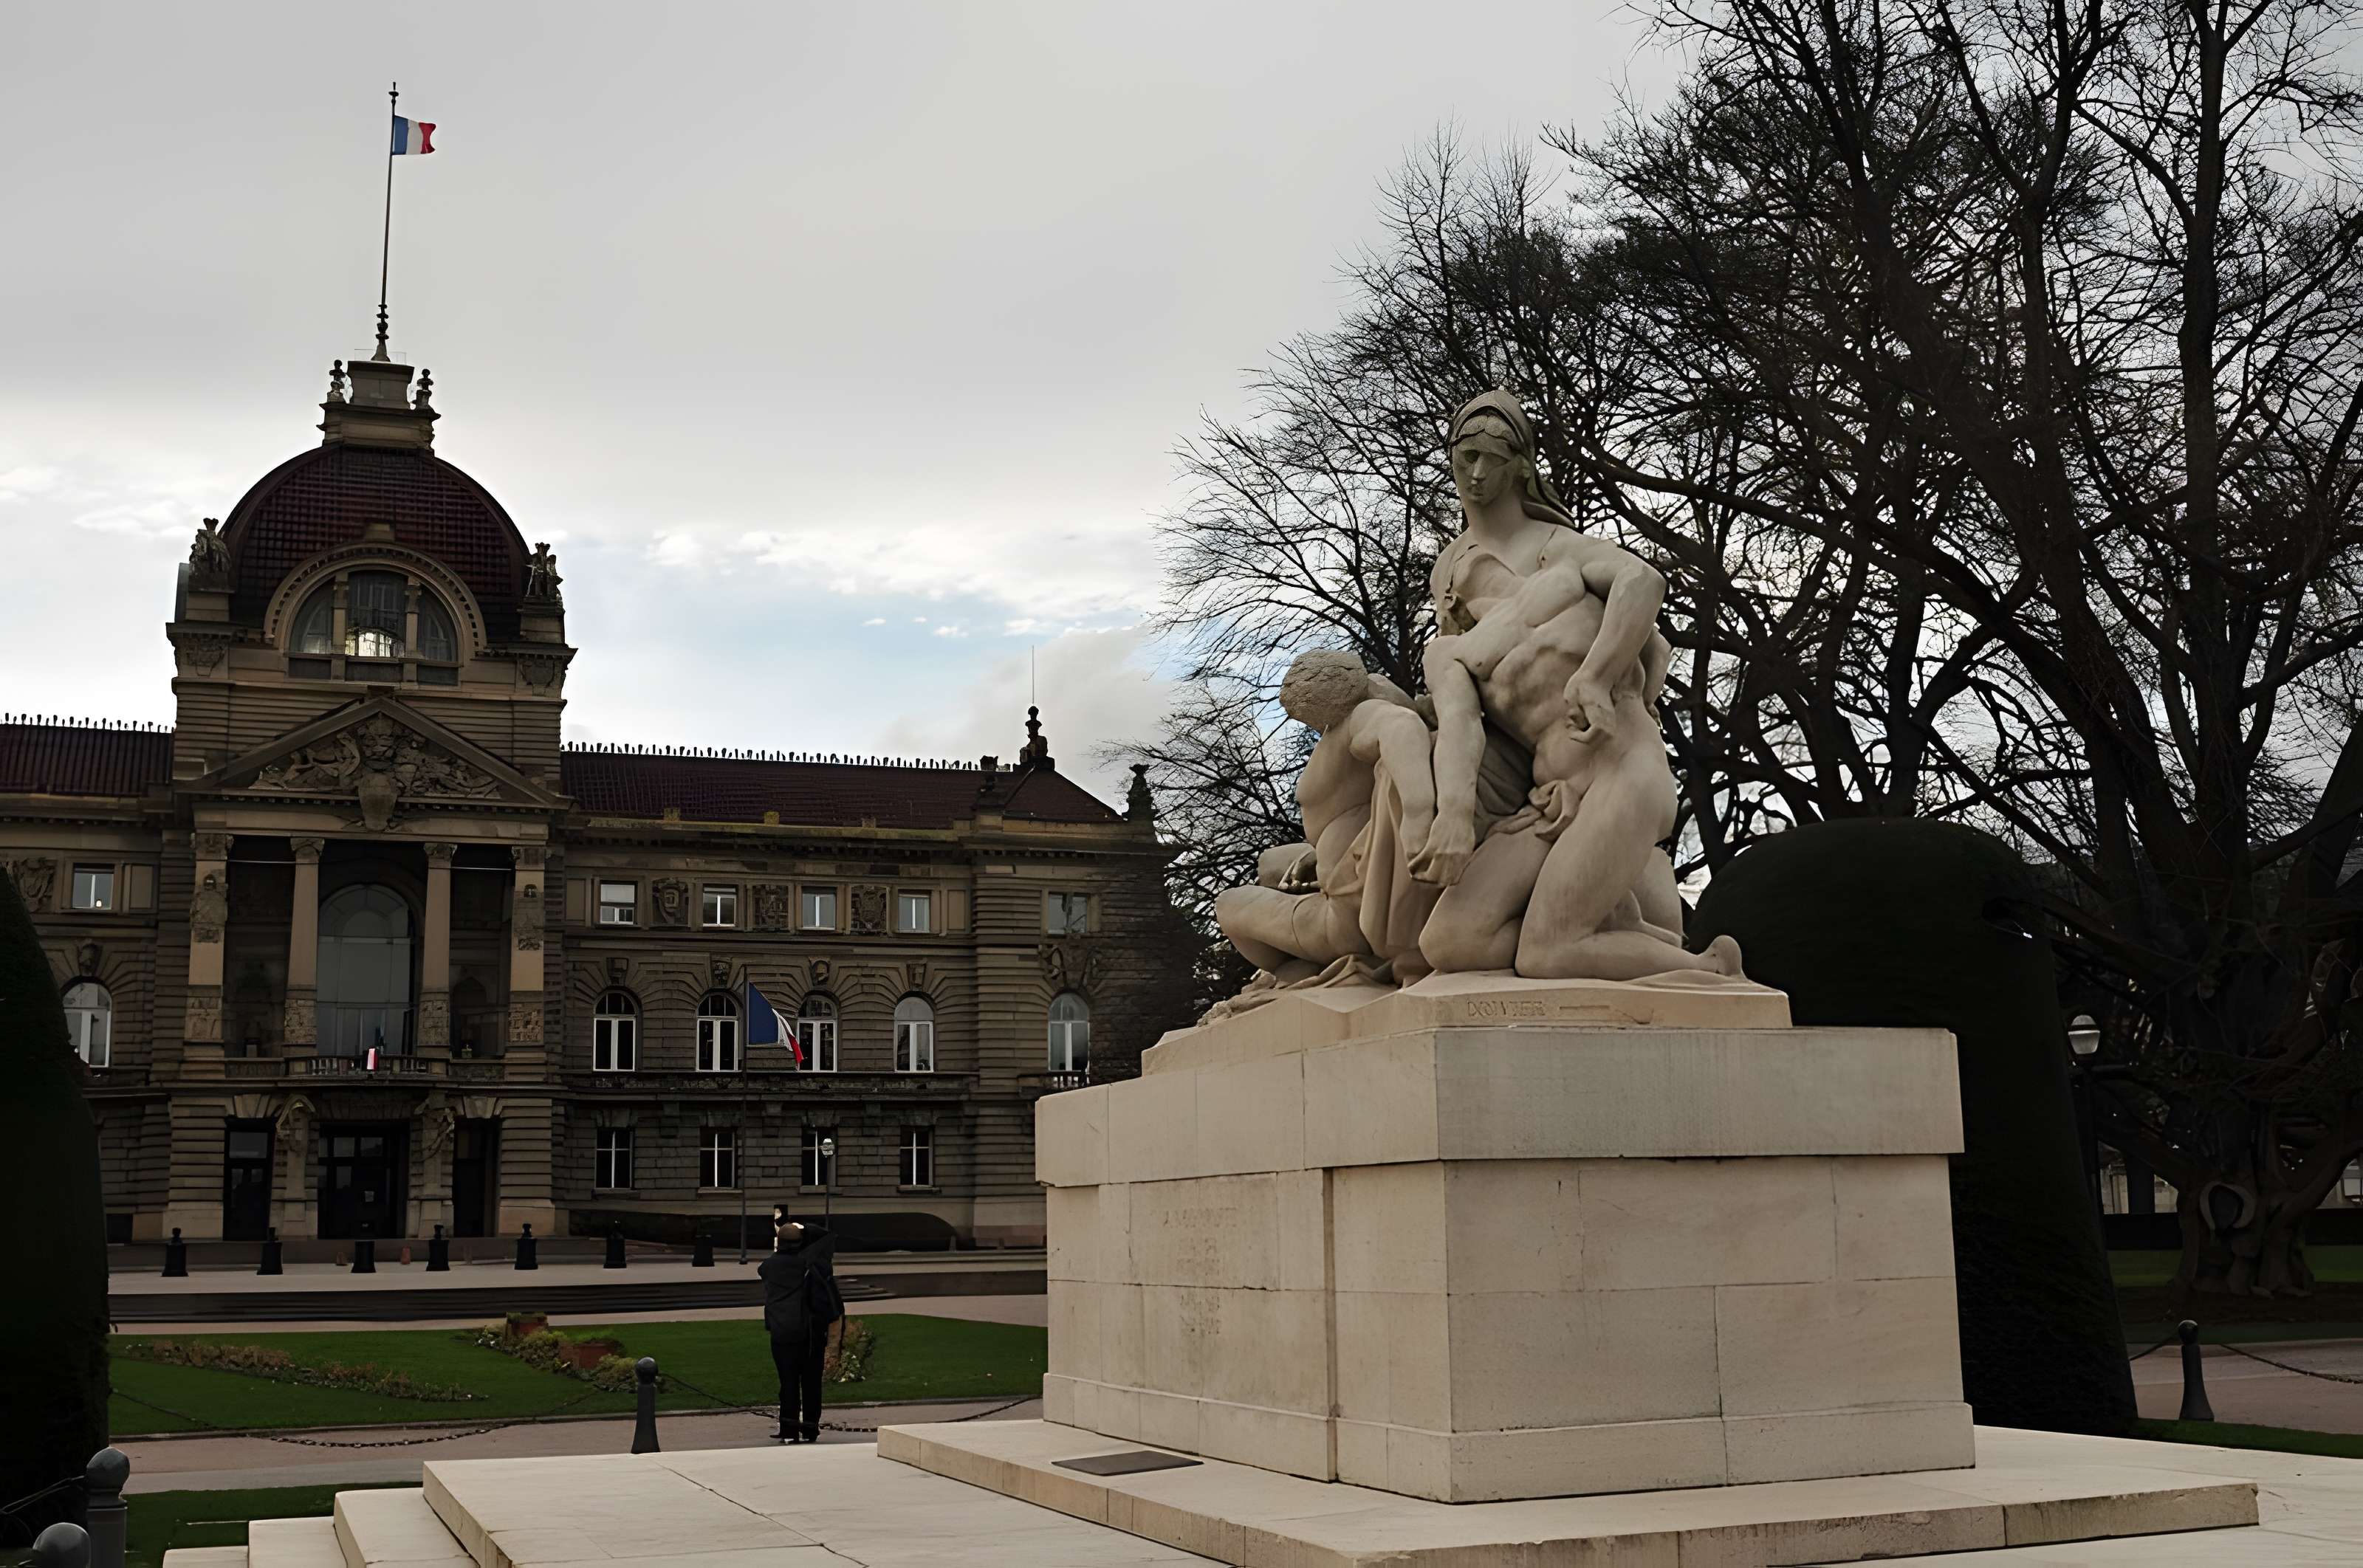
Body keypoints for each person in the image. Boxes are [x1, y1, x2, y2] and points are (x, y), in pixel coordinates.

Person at [1416, 391, 1739, 981]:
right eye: (1466, 459)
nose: (1478, 475)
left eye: (1492, 459)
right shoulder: (1455, 653)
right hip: (1551, 796)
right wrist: (1455, 816)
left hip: (1620, 770)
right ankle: (1610, 931)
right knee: (1450, 941)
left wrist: (1596, 676)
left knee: (1547, 953)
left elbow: (1643, 582)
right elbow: (1458, 725)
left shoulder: (1562, 578)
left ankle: (1710, 970)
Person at [758, 1214, 840, 1443]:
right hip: (810, 1333)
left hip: (782, 1333)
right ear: (801, 1242)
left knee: (788, 1383)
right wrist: (808, 1234)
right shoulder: (811, 1265)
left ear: (780, 1242)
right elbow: (823, 1239)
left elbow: (767, 1267)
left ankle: (789, 1428)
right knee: (811, 1383)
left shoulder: (769, 1267)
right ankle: (810, 1428)